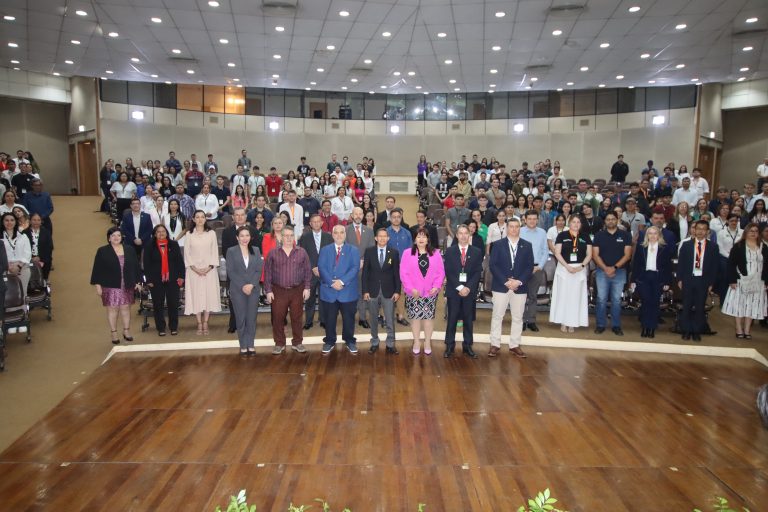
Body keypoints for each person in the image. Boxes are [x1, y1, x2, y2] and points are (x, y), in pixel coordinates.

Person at [488, 218, 534, 358]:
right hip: (501, 286)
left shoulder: (527, 245)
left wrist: (518, 281)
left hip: (520, 287)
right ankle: (495, 344)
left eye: (516, 227)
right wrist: (505, 281)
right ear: (507, 228)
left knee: (518, 317)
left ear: (520, 228)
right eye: (511, 226)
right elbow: (493, 265)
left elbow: (529, 266)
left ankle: (515, 345)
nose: (514, 229)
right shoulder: (497, 244)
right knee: (497, 316)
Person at [263, 227, 312, 354]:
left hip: (297, 290)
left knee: (297, 317)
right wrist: (268, 290)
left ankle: (297, 342)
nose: (289, 238)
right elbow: (267, 273)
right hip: (278, 290)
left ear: (294, 237)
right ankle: (279, 343)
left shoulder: (302, 252)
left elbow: (307, 271)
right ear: (281, 237)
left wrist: (307, 287)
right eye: (286, 235)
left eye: (291, 235)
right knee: (278, 318)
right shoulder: (273, 253)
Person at [90, 227, 141, 344]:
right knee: (112, 309)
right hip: (110, 284)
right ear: (109, 238)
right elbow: (97, 269)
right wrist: (98, 285)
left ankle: (126, 331)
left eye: (118, 235)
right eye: (113, 236)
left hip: (127, 283)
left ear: (121, 237)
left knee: (125, 308)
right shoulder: (102, 251)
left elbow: (135, 266)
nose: (116, 237)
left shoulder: (129, 249)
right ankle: (113, 332)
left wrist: (138, 282)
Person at [400, 227, 445, 355]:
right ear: (414, 240)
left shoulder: (435, 253)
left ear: (428, 239)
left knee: (428, 318)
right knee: (415, 318)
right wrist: (410, 288)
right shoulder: (407, 253)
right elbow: (404, 273)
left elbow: (440, 272)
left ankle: (427, 342)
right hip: (413, 292)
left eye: (424, 236)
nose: (421, 239)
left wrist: (436, 286)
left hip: (430, 292)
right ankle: (416, 341)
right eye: (418, 236)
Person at [319, 225, 361, 354]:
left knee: (349, 319)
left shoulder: (353, 250)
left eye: (341, 232)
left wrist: (342, 281)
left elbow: (355, 268)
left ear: (345, 234)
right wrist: (332, 283)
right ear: (332, 235)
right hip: (329, 290)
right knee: (329, 319)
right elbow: (321, 267)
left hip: (347, 291)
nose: (338, 235)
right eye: (336, 233)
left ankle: (349, 340)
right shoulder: (325, 250)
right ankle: (330, 341)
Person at [722, 223, 768, 339]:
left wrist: (766, 281)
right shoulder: (738, 246)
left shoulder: (764, 247)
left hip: (758, 282)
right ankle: (738, 328)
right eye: (751, 231)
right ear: (746, 232)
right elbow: (731, 264)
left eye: (756, 231)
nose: (753, 233)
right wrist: (732, 280)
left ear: (759, 233)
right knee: (739, 305)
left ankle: (747, 330)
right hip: (741, 280)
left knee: (753, 305)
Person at [444, 225, 483, 358]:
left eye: (466, 233)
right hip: (454, 290)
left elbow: (478, 272)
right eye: (460, 233)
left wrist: (467, 287)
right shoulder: (450, 251)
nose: (463, 236)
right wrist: (460, 287)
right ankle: (449, 345)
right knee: (452, 319)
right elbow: (448, 271)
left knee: (468, 319)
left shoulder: (477, 252)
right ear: (456, 235)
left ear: (469, 235)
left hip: (469, 291)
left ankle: (467, 346)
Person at [361, 228, 402, 354]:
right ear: (376, 238)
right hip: (372, 291)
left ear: (388, 238)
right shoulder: (369, 252)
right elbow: (365, 273)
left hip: (389, 291)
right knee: (373, 319)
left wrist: (397, 291)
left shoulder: (394, 253)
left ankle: (390, 344)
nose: (382, 238)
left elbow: (396, 274)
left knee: (390, 319)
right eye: (380, 236)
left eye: (385, 236)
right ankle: (374, 342)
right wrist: (365, 291)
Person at [592, 212, 633, 335]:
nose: (610, 221)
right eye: (608, 219)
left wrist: (614, 267)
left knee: (616, 300)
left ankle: (616, 325)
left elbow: (628, 255)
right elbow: (595, 254)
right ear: (605, 221)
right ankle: (600, 325)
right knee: (601, 299)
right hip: (601, 271)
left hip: (619, 272)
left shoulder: (625, 235)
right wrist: (605, 268)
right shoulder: (599, 235)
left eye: (613, 219)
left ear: (617, 220)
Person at [677, 220, 718, 341]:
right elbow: (681, 264)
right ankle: (686, 330)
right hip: (688, 279)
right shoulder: (686, 245)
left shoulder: (713, 247)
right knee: (687, 306)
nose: (700, 231)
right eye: (698, 228)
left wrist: (711, 282)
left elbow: (715, 267)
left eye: (703, 229)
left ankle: (696, 331)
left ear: (707, 231)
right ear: (694, 230)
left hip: (703, 280)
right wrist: (680, 279)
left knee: (700, 307)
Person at [550, 216, 592, 332]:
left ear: (581, 224)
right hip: (564, 268)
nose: (576, 224)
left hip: (579, 269)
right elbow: (557, 253)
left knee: (576, 297)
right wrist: (567, 266)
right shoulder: (562, 235)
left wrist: (581, 266)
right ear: (569, 223)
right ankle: (563, 321)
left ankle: (573, 322)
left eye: (578, 222)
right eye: (574, 222)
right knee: (563, 296)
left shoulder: (585, 236)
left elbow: (589, 254)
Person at [226, 226, 264, 356]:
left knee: (251, 318)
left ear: (250, 237)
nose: (244, 238)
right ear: (237, 237)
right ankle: (243, 345)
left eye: (247, 235)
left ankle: (251, 345)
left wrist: (252, 284)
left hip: (253, 290)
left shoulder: (256, 250)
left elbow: (259, 270)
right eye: (241, 236)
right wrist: (243, 285)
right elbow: (230, 271)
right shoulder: (231, 251)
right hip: (238, 289)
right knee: (240, 318)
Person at [184, 210, 222, 335]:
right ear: (193, 219)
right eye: (197, 217)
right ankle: (199, 323)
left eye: (202, 217)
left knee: (207, 295)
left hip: (209, 271)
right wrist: (195, 269)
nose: (200, 219)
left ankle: (205, 321)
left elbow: (214, 251)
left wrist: (209, 267)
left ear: (206, 219)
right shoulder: (189, 234)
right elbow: (187, 253)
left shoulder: (211, 233)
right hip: (193, 271)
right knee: (196, 296)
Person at [143, 224, 185, 336]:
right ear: (155, 234)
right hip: (156, 280)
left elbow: (180, 262)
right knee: (158, 304)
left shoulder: (174, 245)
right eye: (158, 232)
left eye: (163, 231)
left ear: (167, 233)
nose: (161, 233)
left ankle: (173, 327)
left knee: (173, 304)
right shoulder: (149, 246)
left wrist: (181, 276)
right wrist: (149, 280)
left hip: (173, 279)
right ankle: (161, 328)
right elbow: (146, 264)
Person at [221, 208, 258, 333]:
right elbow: (225, 252)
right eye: (237, 215)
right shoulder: (227, 232)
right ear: (233, 217)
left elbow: (257, 251)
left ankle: (249, 324)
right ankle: (234, 323)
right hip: (235, 272)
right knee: (235, 300)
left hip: (251, 272)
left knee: (251, 301)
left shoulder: (253, 231)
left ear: (246, 217)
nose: (240, 217)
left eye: (242, 215)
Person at [631, 226, 673, 338]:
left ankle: (652, 327)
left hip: (658, 277)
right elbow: (636, 264)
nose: (653, 236)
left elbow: (668, 266)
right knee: (645, 302)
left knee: (654, 303)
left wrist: (667, 282)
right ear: (647, 235)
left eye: (655, 233)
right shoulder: (642, 247)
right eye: (650, 233)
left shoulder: (664, 248)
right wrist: (633, 280)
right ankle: (645, 326)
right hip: (644, 277)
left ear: (659, 235)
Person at [299, 214, 333, 330]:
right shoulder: (304, 237)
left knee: (324, 297)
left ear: (322, 223)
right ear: (310, 224)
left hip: (325, 273)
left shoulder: (328, 237)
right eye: (314, 222)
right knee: (309, 299)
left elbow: (331, 255)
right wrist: (313, 267)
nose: (316, 223)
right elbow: (302, 255)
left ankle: (323, 320)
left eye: (318, 221)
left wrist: (321, 268)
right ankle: (309, 321)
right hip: (310, 273)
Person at [345, 207, 375, 328]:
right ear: (352, 215)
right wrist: (355, 261)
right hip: (349, 268)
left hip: (364, 267)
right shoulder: (345, 230)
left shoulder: (369, 231)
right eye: (355, 214)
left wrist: (364, 261)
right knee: (350, 293)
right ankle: (350, 317)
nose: (358, 216)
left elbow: (371, 249)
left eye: (360, 214)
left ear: (363, 216)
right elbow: (344, 248)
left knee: (363, 292)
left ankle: (362, 318)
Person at [519, 210, 548, 332]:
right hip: (521, 268)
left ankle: (531, 321)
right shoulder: (519, 231)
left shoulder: (542, 232)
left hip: (537, 268)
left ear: (537, 220)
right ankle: (520, 321)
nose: (532, 221)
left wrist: (540, 266)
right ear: (525, 219)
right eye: (529, 218)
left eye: (534, 219)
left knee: (532, 296)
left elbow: (545, 251)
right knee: (520, 296)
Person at [386, 208, 413, 326]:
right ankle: (387, 316)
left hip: (404, 268)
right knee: (388, 291)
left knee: (401, 292)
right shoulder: (385, 233)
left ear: (401, 218)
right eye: (394, 217)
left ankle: (400, 315)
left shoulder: (407, 233)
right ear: (390, 218)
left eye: (398, 217)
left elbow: (411, 252)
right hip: (388, 267)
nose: (396, 219)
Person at [715, 214, 744, 305]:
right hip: (725, 259)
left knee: (739, 280)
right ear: (727, 221)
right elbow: (720, 247)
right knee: (725, 280)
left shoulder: (742, 232)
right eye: (732, 221)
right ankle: (724, 302)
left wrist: (736, 258)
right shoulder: (721, 232)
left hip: (739, 260)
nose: (734, 223)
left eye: (736, 221)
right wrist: (730, 257)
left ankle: (737, 303)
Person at [24, 213, 53, 280]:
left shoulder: (46, 232)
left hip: (43, 259)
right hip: (28, 260)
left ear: (41, 221)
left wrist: (40, 258)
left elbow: (50, 247)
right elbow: (23, 248)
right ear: (30, 221)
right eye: (34, 220)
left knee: (43, 279)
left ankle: (44, 285)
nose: (36, 222)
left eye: (38, 220)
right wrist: (31, 258)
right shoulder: (24, 233)